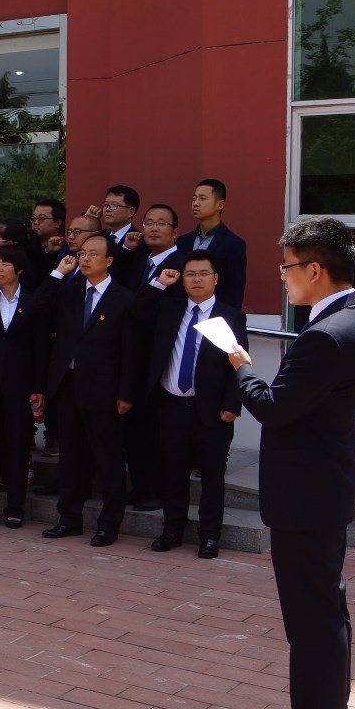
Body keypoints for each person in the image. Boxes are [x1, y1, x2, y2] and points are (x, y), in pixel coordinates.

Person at [228, 217, 355, 709]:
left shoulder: (326, 336)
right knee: (325, 610)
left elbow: (274, 408)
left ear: (315, 269)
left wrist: (241, 366)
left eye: (287, 267)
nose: (282, 276)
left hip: (308, 494)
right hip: (326, 484)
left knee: (313, 618)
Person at [37, 233, 144, 546]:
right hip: (68, 385)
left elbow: (132, 352)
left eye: (93, 254)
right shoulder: (69, 291)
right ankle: (68, 519)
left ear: (109, 260)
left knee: (108, 458)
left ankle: (109, 525)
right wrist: (58, 274)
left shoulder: (125, 298)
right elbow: (37, 308)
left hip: (105, 390)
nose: (85, 258)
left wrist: (126, 393)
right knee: (71, 456)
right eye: (82, 253)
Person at [143, 251, 247, 558]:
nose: (196, 279)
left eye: (203, 273)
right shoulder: (169, 308)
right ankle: (172, 530)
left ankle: (210, 536)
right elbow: (137, 312)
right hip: (171, 406)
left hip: (212, 410)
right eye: (190, 274)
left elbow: (238, 363)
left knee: (212, 476)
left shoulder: (231, 316)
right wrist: (159, 284)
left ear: (215, 278)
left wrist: (233, 404)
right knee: (173, 473)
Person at [0, 246, 48, 530]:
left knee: (17, 445)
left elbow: (41, 347)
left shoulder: (33, 300)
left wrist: (40, 387)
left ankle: (15, 507)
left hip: (20, 383)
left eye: (5, 264)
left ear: (19, 269)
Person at [120, 203, 188, 512]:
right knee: (134, 425)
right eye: (148, 222)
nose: (154, 228)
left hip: (162, 356)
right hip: (133, 354)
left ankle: (159, 490)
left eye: (162, 223)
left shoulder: (181, 265)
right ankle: (140, 486)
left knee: (158, 429)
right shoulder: (138, 260)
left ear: (175, 232)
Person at [178, 178, 248, 308]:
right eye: (194, 198)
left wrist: (228, 317)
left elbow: (234, 289)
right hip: (184, 311)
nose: (196, 203)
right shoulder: (183, 241)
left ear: (220, 205)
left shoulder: (233, 244)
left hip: (215, 314)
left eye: (202, 198)